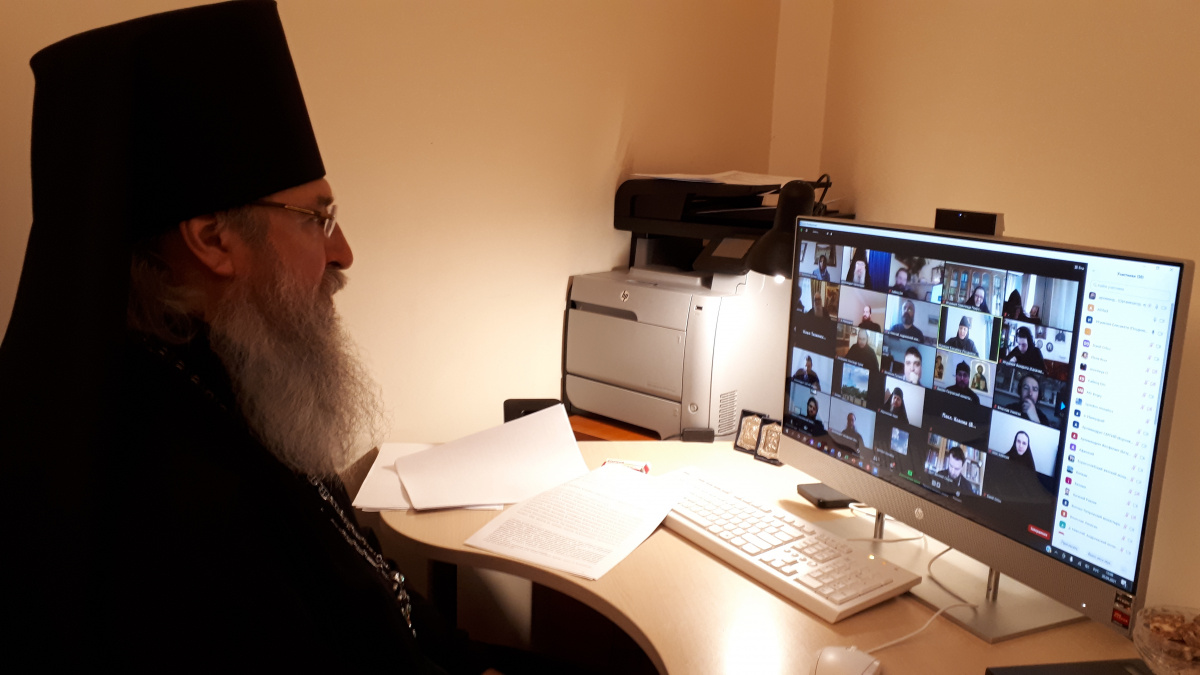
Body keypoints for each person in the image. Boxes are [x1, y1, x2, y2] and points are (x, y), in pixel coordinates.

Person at [0, 5, 509, 672]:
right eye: (317, 217)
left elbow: (377, 595)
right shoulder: (176, 498)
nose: (344, 252)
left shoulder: (248, 380)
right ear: (213, 239)